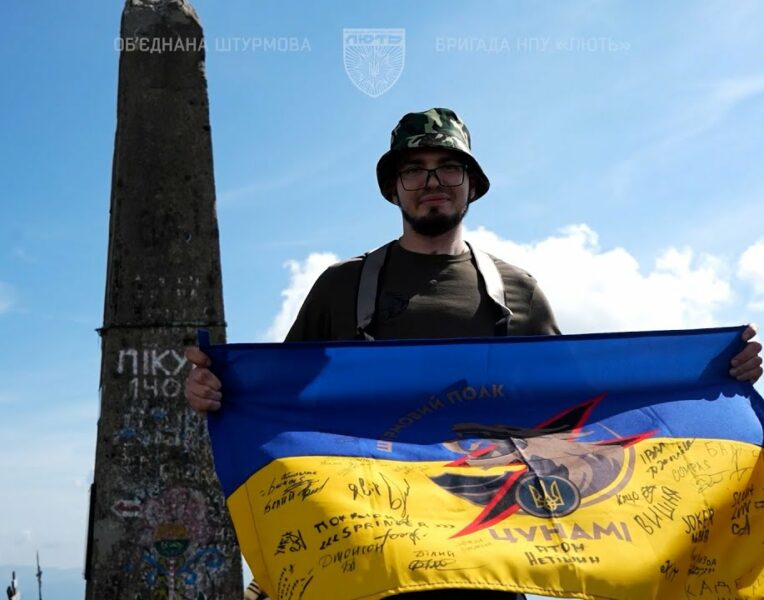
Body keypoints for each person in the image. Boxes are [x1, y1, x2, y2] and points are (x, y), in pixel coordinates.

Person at [185, 108, 763, 599]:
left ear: (471, 184)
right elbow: (279, 401)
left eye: (448, 168)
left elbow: (585, 410)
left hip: (485, 560)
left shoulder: (518, 292)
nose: (431, 181)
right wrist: (216, 392)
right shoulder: (342, 287)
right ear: (394, 188)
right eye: (414, 170)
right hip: (370, 559)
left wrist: (715, 377)